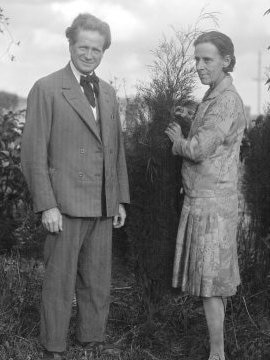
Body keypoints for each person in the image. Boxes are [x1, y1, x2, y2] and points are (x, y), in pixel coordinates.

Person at [21, 13, 130, 360]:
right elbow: (33, 151)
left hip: (102, 203)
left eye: (97, 49)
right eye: (83, 46)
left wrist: (119, 200)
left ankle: (91, 341)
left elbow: (116, 150)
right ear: (70, 44)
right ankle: (54, 346)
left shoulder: (110, 93)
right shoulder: (47, 87)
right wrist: (46, 204)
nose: (89, 54)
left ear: (104, 52)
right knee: (59, 281)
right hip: (64, 205)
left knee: (97, 280)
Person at [165, 31, 246, 360]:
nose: (198, 66)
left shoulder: (226, 99)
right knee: (213, 283)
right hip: (207, 201)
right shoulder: (215, 94)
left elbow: (200, 149)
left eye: (207, 59)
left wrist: (178, 139)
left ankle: (217, 354)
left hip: (212, 207)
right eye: (196, 59)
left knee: (212, 284)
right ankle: (218, 350)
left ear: (226, 61)